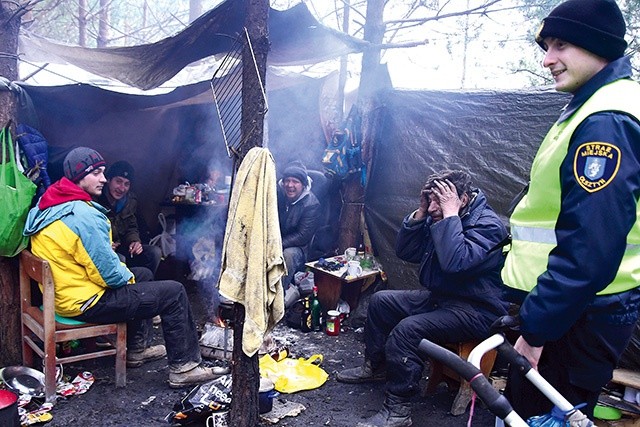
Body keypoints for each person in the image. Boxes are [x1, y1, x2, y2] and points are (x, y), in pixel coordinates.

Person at [501, 0, 640, 420]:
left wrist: (538, 329)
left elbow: (589, 248)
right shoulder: (590, 105)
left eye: (560, 45)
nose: (547, 59)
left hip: (574, 321)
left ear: (596, 45)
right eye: (546, 46)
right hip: (572, 312)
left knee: (541, 416)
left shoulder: (606, 120)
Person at [23, 147, 226, 388]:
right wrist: (126, 276)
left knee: (144, 274)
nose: (104, 179)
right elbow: (109, 275)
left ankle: (136, 349)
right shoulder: (82, 215)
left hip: (62, 294)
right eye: (97, 173)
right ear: (79, 177)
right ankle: (184, 367)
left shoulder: (49, 205)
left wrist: (128, 274)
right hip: (85, 302)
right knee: (174, 292)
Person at [337, 169, 509, 427]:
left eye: (438, 200)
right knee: (381, 302)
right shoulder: (437, 214)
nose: (432, 208)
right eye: (429, 200)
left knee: (408, 330)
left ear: (462, 200)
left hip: (477, 309)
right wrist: (420, 212)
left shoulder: (488, 225)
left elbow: (456, 262)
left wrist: (449, 216)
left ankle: (398, 410)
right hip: (443, 298)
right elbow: (406, 251)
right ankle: (378, 366)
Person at [96, 160, 162, 276]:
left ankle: (143, 287)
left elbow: (131, 226)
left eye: (127, 184)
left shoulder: (130, 201)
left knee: (154, 253)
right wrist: (106, 244)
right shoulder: (96, 200)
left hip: (122, 246)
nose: (122, 188)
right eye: (118, 181)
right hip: (103, 249)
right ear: (109, 180)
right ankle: (122, 292)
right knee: (119, 259)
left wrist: (134, 241)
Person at [277, 160, 321, 291]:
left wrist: (277, 244)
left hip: (299, 248)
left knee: (287, 256)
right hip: (277, 240)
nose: (290, 185)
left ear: (303, 184)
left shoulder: (311, 204)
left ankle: (278, 295)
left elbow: (303, 236)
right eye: (287, 181)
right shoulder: (278, 195)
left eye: (295, 182)